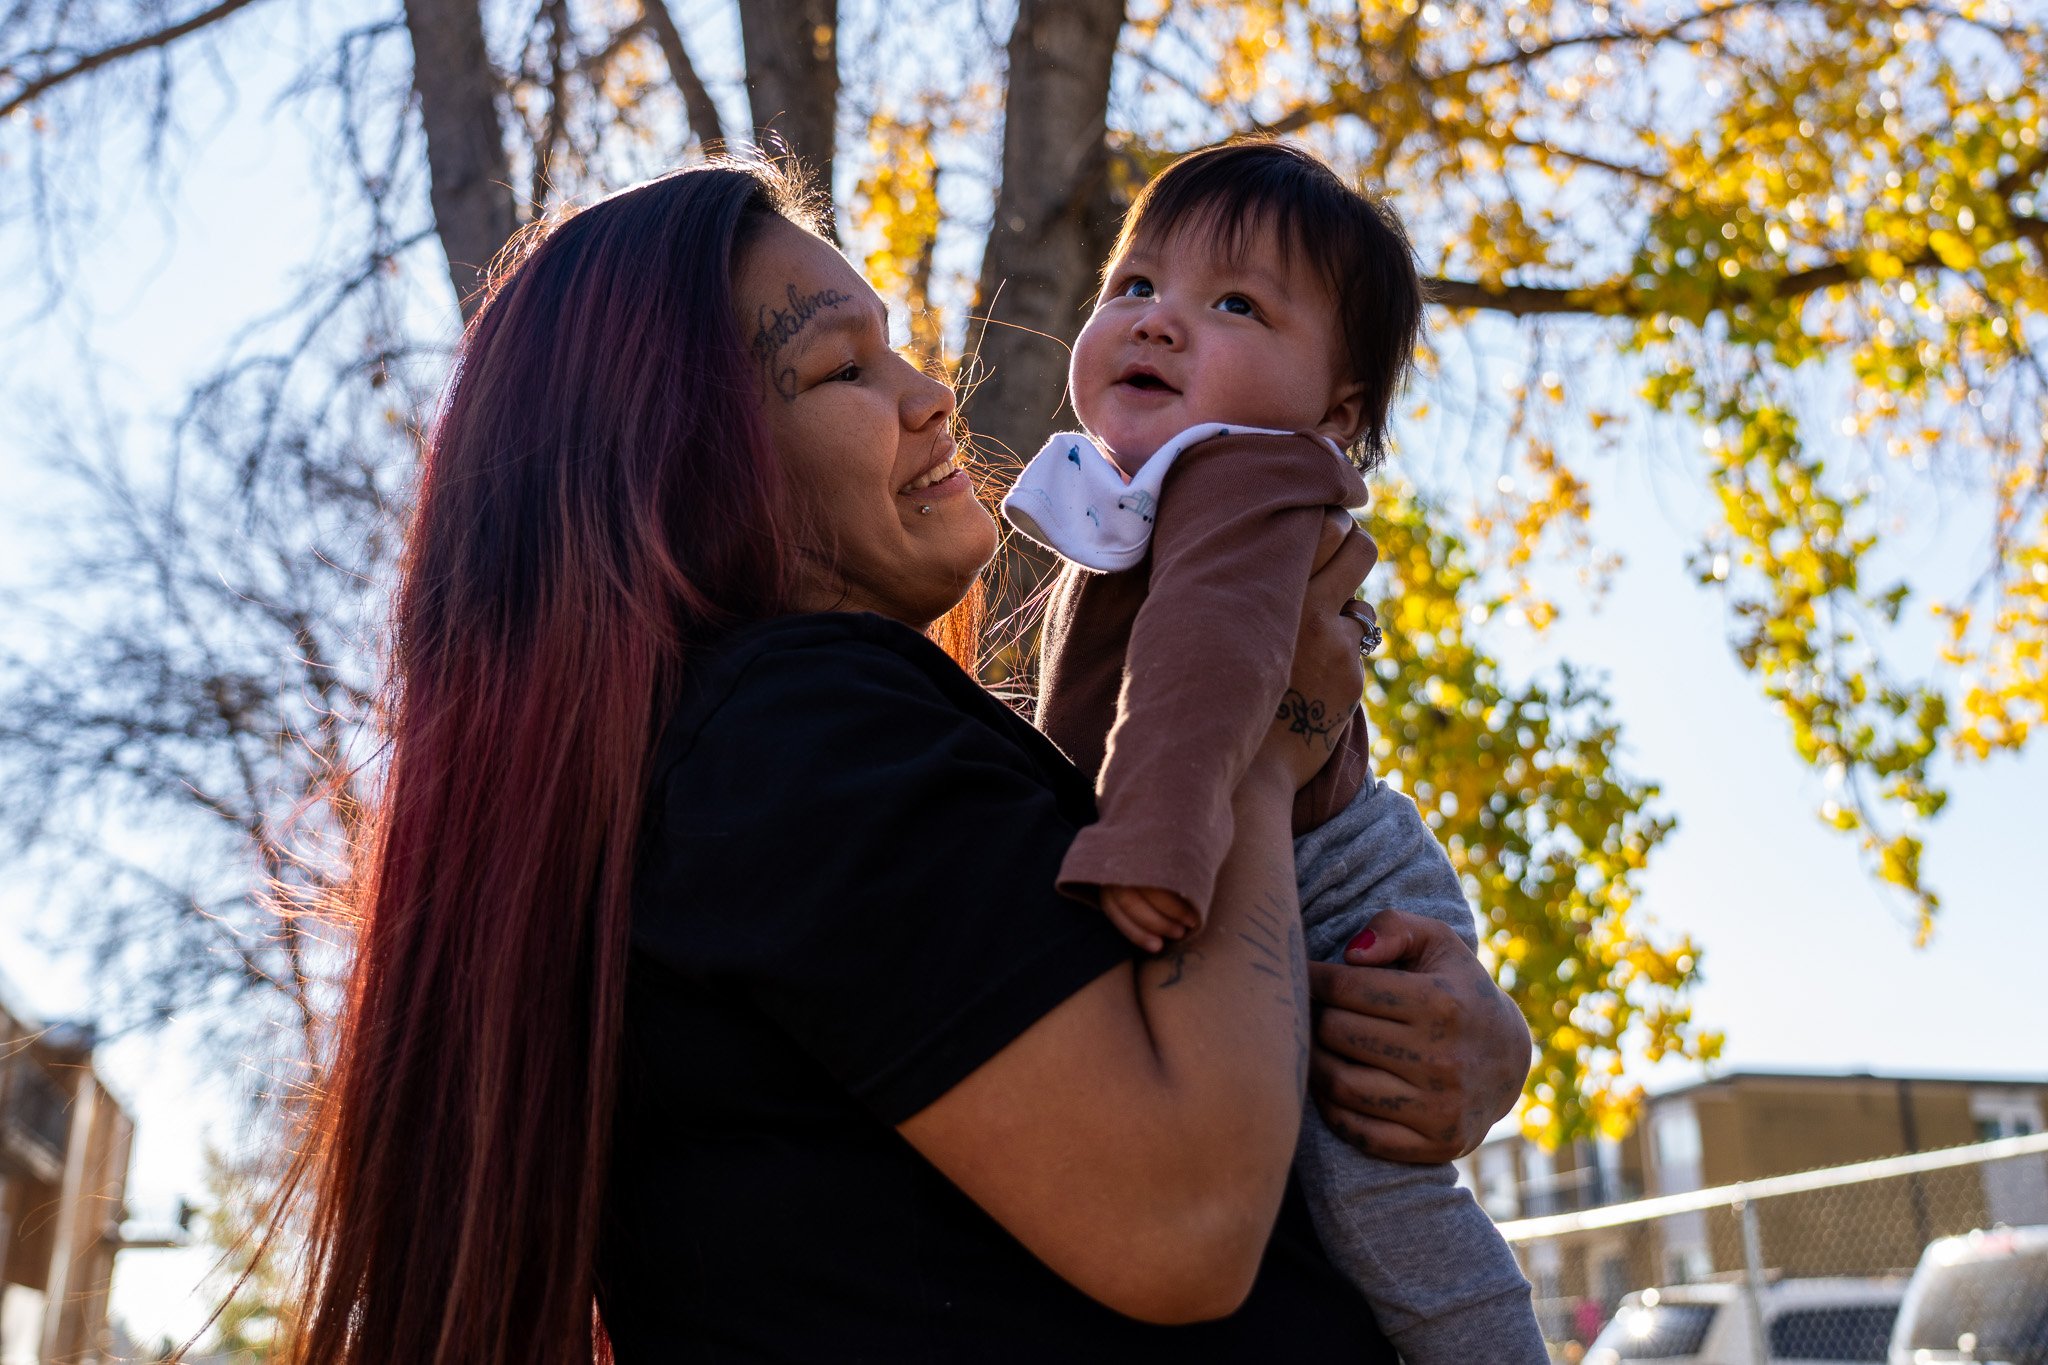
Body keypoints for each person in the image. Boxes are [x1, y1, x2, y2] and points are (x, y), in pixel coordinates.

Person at [279, 159, 1532, 1364]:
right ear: (682, 468)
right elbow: (1185, 1219)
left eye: (893, 345)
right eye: (841, 369)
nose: (929, 393)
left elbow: (1154, 1014)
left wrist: (1420, 1041)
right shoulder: (790, 740)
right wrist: (1267, 747)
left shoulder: (794, 756)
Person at [1002, 139, 1548, 1361]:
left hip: (1336, 888)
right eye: (1133, 287)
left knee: (1376, 1191)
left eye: (1235, 304)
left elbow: (1211, 667)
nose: (1160, 323)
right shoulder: (1153, 493)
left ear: (1335, 409)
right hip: (1255, 850)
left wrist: (1156, 838)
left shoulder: (1249, 479)